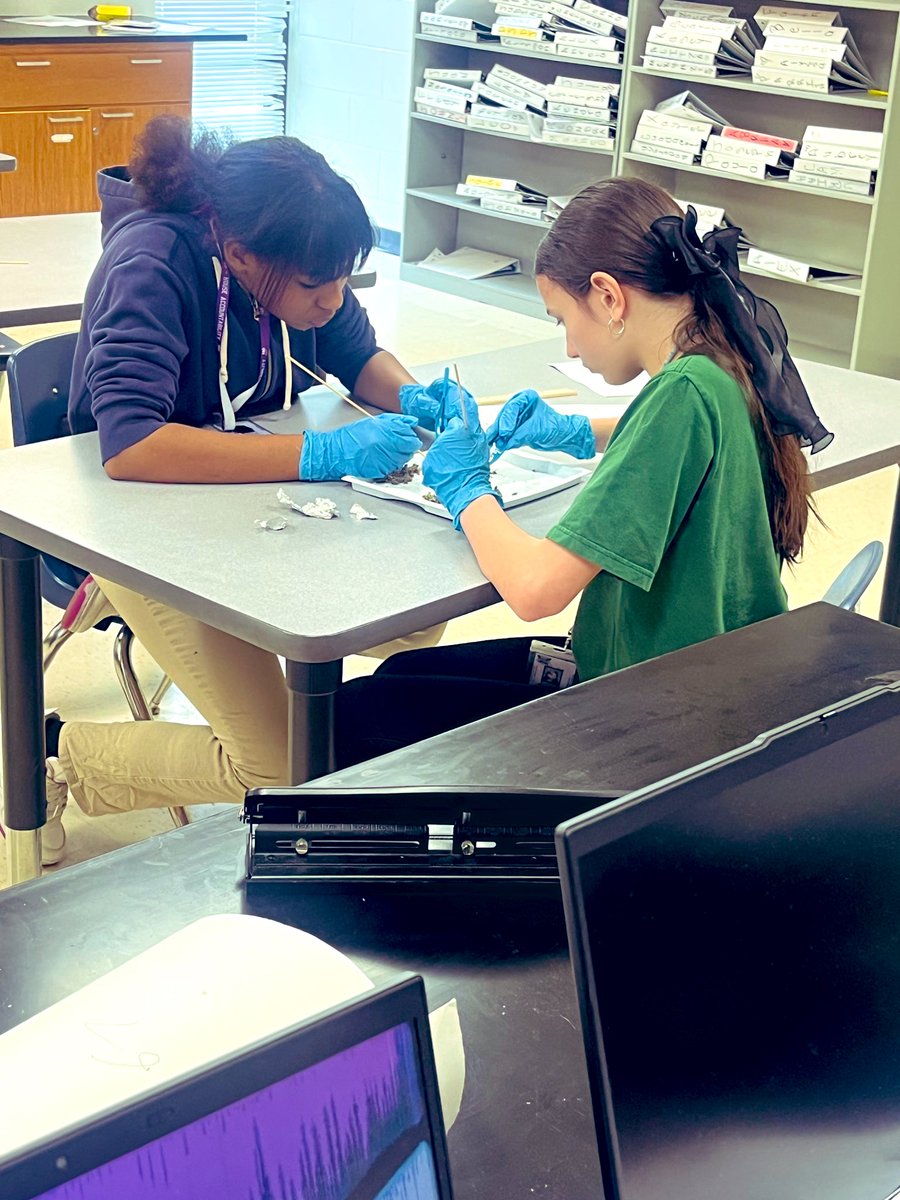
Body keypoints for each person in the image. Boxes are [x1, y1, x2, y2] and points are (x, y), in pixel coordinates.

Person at [42, 115, 477, 863]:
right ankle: (56, 757)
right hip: (133, 530)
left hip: (237, 510)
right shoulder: (153, 263)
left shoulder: (291, 264)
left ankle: (305, 744)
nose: (331, 300)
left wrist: (415, 397)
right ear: (239, 256)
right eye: (317, 286)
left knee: (413, 610)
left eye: (344, 279)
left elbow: (359, 351)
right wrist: (317, 450)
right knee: (276, 767)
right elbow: (132, 447)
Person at [333, 177, 833, 767]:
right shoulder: (722, 360)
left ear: (607, 296)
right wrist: (576, 432)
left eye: (562, 318)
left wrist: (468, 490)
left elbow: (535, 589)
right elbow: (678, 443)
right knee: (404, 670)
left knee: (354, 718)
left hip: (650, 727)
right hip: (706, 685)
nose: (570, 348)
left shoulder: (681, 397)